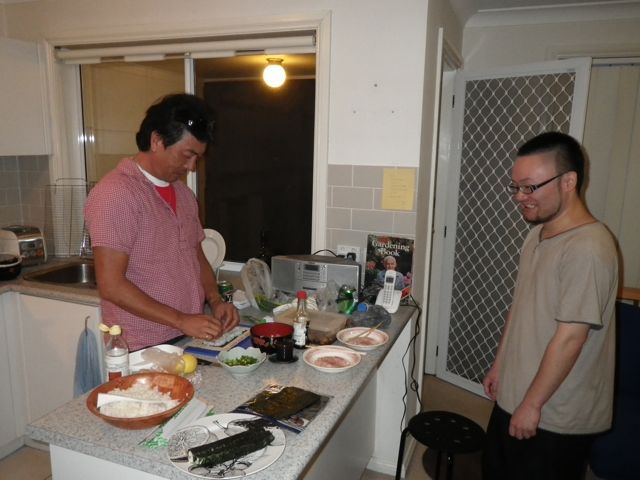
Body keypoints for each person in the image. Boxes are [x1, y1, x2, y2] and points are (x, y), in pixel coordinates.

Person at [482, 132, 619, 480]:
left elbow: (571, 337)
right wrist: (500, 365)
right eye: (515, 187)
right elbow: (520, 306)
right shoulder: (537, 234)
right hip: (517, 391)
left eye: (530, 187)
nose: (519, 197)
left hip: (554, 412)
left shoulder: (588, 248)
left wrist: (532, 404)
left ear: (568, 181)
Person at [85, 93, 239, 352]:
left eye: (197, 158)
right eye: (187, 155)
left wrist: (215, 300)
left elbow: (195, 254)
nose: (192, 167)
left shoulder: (183, 194)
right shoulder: (116, 194)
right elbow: (111, 285)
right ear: (157, 140)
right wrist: (181, 320)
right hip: (141, 345)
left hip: (185, 336)